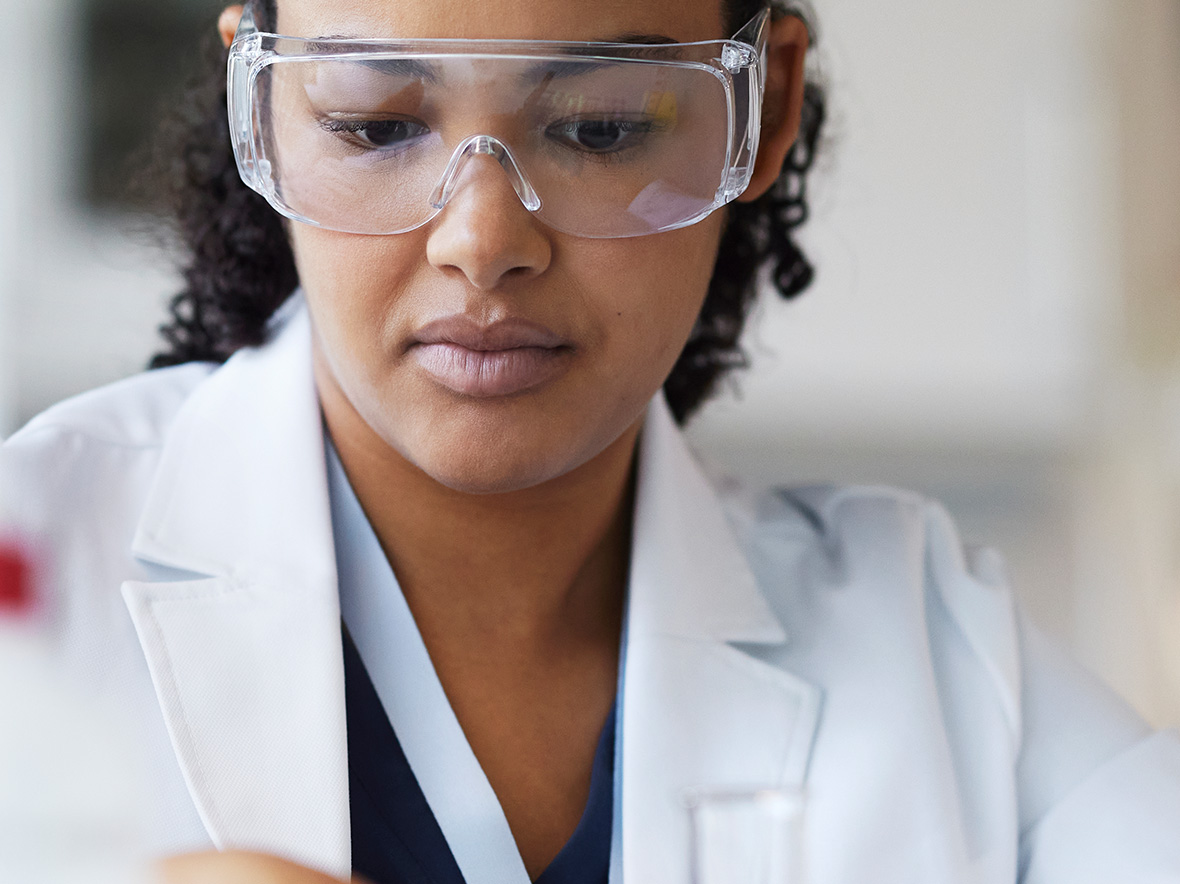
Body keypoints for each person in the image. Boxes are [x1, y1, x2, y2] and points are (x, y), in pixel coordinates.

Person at [2, 0, 1179, 882]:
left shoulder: (947, 665)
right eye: (373, 124)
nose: (481, 240)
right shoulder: (33, 563)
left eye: (602, 127)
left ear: (762, 106)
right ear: (258, 104)